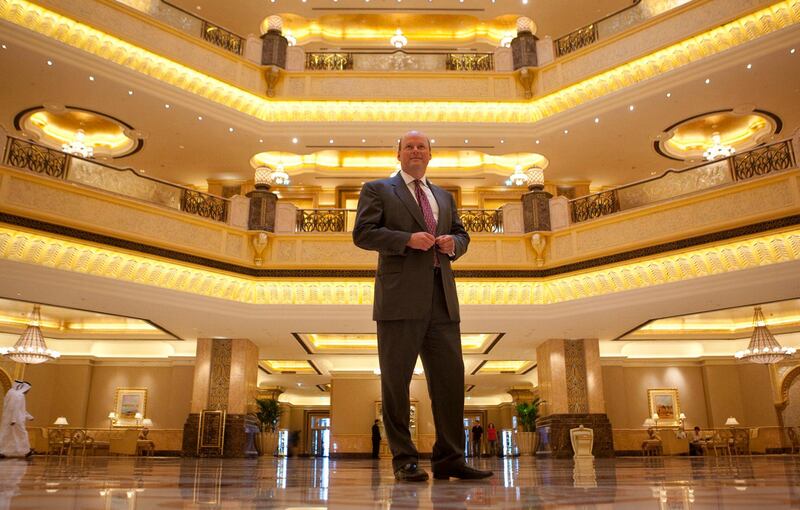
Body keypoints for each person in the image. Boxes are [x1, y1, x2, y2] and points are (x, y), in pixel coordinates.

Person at [353, 130, 492, 482]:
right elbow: (363, 234)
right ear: (397, 153)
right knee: (396, 383)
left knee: (450, 382)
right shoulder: (378, 189)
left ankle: (450, 458)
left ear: (431, 155)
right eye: (409, 146)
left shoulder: (444, 196)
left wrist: (454, 244)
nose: (415, 151)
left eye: (422, 147)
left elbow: (463, 234)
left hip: (442, 298)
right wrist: (406, 240)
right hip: (399, 299)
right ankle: (404, 460)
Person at [0, 381, 34, 458]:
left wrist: (29, 416)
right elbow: (15, 408)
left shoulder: (11, 393)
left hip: (8, 418)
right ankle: (26, 451)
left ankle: (2, 451)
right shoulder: (19, 395)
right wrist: (14, 420)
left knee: (6, 435)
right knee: (22, 434)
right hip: (16, 420)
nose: (28, 391)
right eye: (28, 390)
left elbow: (20, 409)